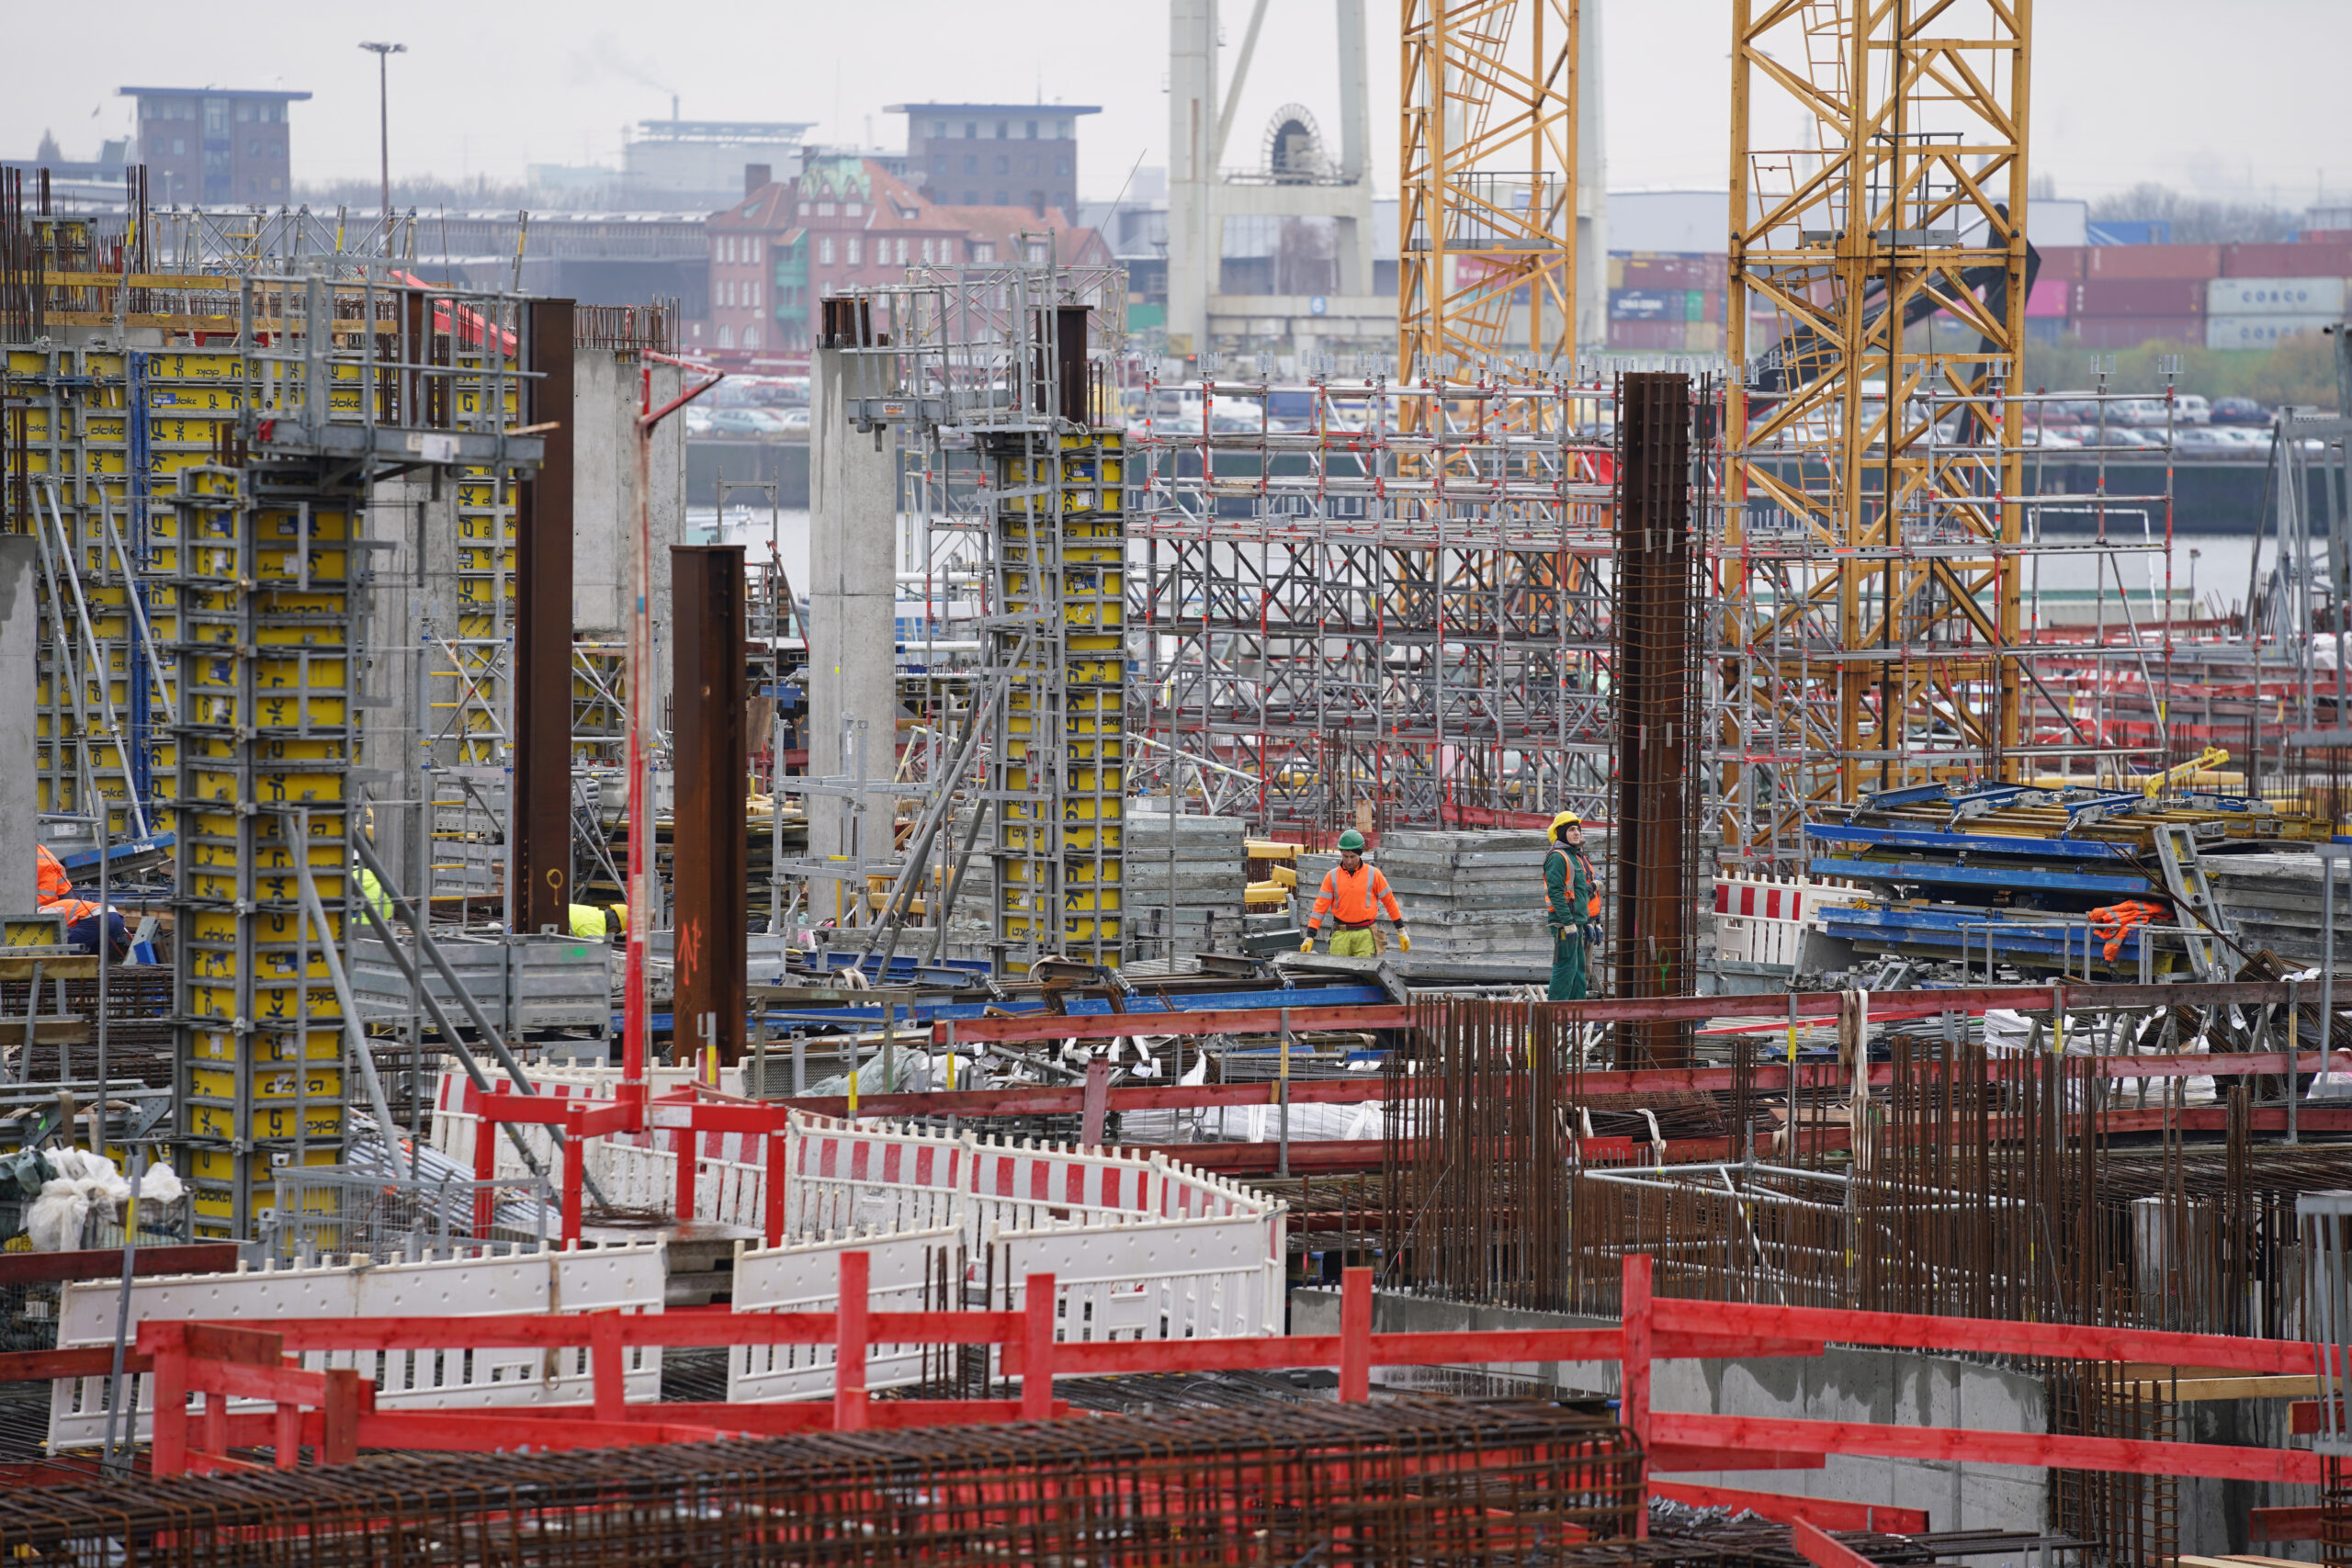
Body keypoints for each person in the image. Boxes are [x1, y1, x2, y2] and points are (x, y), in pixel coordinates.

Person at [1301, 829, 1409, 957]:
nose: (1349, 861)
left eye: (1353, 857)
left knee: (1365, 974)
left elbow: (1390, 902)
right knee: (1337, 973)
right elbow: (1320, 908)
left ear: (1360, 854)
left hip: (1366, 935)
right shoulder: (1332, 876)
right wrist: (1310, 936)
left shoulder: (1373, 874)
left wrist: (1401, 930)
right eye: (1345, 856)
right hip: (1340, 935)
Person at [35, 843, 130, 958]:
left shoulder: (43, 914)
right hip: (115, 917)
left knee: (61, 958)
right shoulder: (42, 852)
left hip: (96, 918)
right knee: (94, 964)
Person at [1544, 811, 1601, 1002]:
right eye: (1571, 829)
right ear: (1561, 834)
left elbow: (1579, 893)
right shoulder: (1557, 858)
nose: (1577, 833)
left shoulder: (1574, 857)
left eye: (1577, 829)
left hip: (1576, 921)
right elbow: (1556, 893)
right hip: (1564, 923)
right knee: (1565, 968)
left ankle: (1578, 1012)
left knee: (1578, 969)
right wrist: (1568, 922)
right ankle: (1555, 1013)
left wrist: (1589, 921)